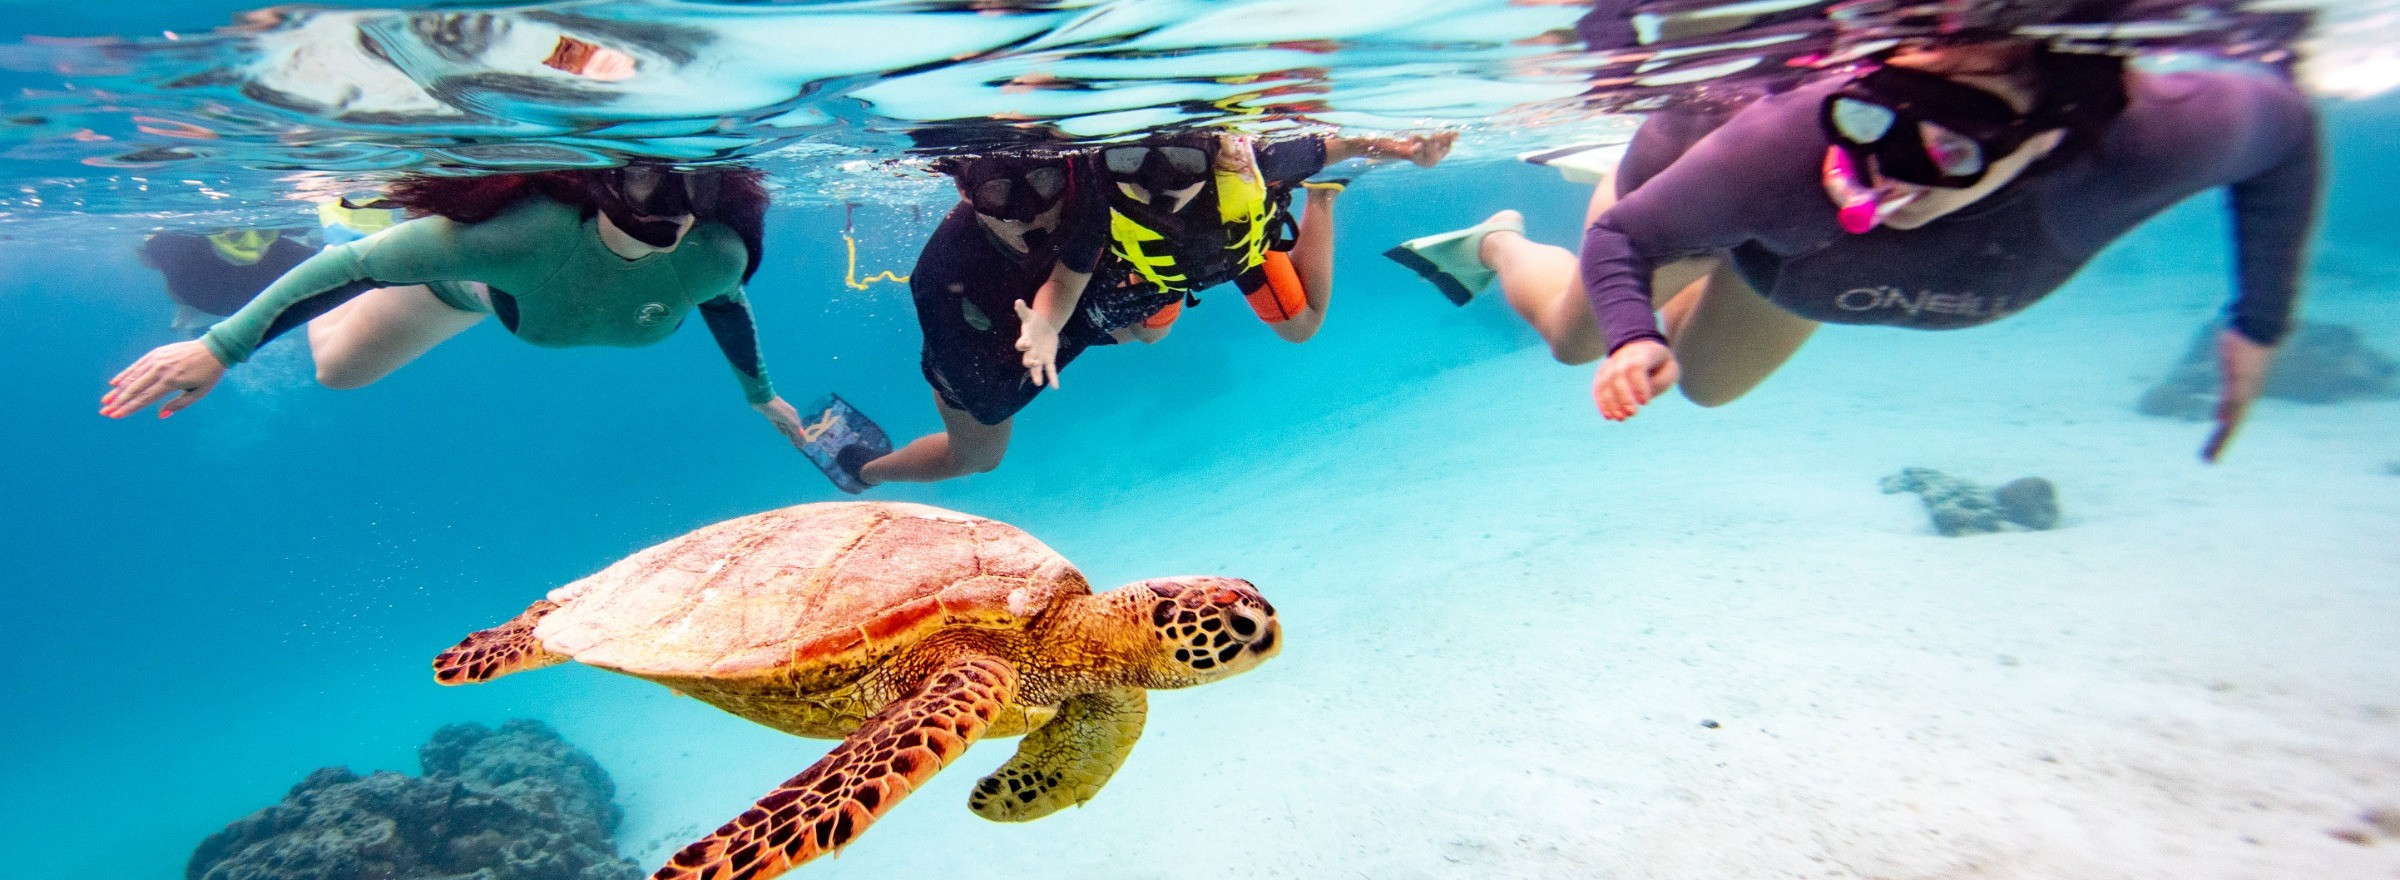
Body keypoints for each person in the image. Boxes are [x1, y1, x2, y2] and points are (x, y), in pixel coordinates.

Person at [1387, 10, 2318, 462]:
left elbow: (2287, 136)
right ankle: (1502, 241)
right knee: (1575, 339)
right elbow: (1629, 237)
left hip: (1781, 245)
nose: (1867, 186)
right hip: (1702, 174)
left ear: (2045, 141)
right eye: (1866, 127)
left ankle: (1705, 238)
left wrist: (2260, 323)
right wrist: (1632, 334)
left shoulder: (2148, 139)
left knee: (1706, 388)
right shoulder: (1787, 145)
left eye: (1941, 147)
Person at [826, 130, 1451, 490]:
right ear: (966, 192)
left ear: (1065, 172)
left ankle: (1326, 203)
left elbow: (1075, 266)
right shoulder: (945, 273)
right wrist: (1059, 329)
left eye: (1042, 187)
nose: (1025, 211)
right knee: (981, 456)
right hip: (986, 364)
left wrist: (1400, 146)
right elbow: (993, 394)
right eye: (994, 194)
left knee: (1173, 332)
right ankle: (868, 469)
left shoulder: (1091, 191)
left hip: (1119, 297)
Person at [100, 165, 816, 451]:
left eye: (697, 201)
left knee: (341, 366)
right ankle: (336, 215)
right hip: (458, 288)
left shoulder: (714, 255)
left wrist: (763, 396)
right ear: (601, 188)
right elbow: (350, 272)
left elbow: (727, 307)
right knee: (336, 370)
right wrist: (220, 348)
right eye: (650, 189)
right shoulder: (518, 234)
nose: (676, 220)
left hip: (512, 297)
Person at [137, 228, 318, 337]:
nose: (251, 245)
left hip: (209, 300)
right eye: (235, 235)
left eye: (264, 233)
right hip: (201, 299)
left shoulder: (293, 256)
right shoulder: (177, 248)